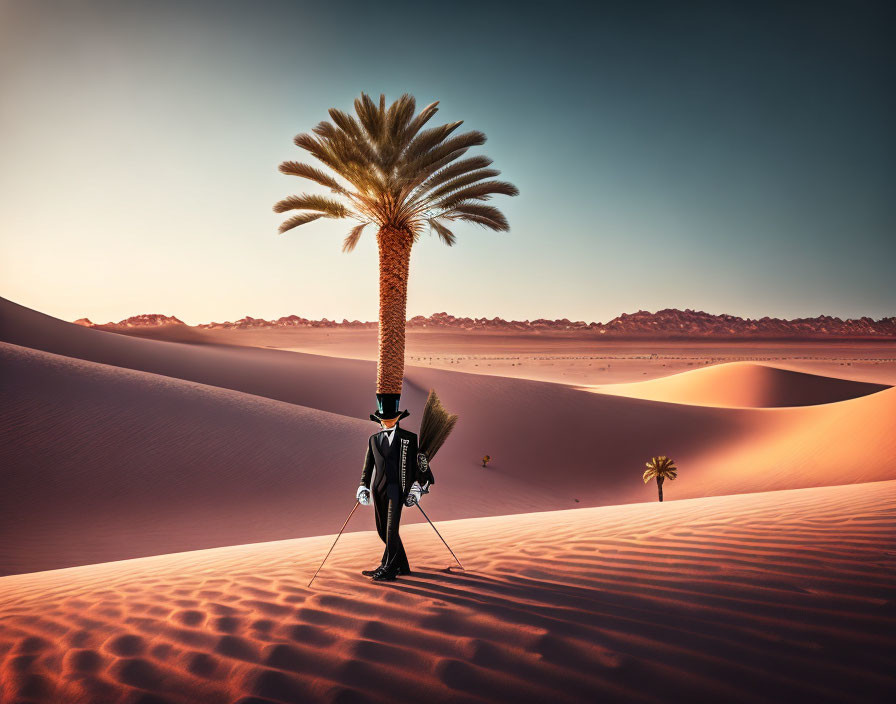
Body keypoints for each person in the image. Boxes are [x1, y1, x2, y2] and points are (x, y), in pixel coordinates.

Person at [356, 393, 433, 581]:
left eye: (391, 419)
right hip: (378, 489)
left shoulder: (409, 438)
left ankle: (389, 569)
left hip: (397, 489)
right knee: (382, 530)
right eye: (384, 419)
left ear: (398, 419)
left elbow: (419, 466)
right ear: (379, 420)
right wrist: (363, 487)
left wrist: (416, 489)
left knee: (391, 530)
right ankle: (401, 565)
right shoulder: (373, 440)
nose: (387, 422)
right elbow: (368, 467)